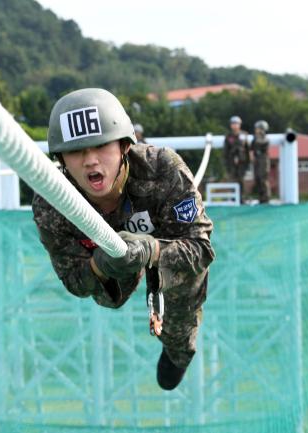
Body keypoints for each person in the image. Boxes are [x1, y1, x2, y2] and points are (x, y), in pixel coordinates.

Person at [32, 88, 215, 390]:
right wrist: (102, 266)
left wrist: (150, 249)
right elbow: (75, 281)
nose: (91, 161)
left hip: (166, 242)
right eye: (77, 151)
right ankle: (124, 267)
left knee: (184, 296)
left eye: (101, 146)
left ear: (124, 146)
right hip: (112, 266)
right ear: (61, 158)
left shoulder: (162, 169)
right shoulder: (52, 200)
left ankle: (178, 352)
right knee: (107, 297)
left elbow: (200, 248)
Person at [223, 116, 250, 202]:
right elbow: (226, 151)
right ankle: (233, 198)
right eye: (233, 124)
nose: (235, 125)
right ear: (231, 125)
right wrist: (226, 163)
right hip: (231, 162)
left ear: (240, 125)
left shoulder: (244, 134)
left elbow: (247, 149)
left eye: (236, 124)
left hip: (242, 161)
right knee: (233, 180)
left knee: (241, 180)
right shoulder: (228, 136)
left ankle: (242, 198)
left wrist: (248, 161)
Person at [251, 120, 271, 203]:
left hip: (263, 159)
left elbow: (261, 143)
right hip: (257, 159)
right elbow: (252, 147)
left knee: (263, 178)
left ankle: (266, 198)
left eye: (258, 128)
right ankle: (261, 198)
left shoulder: (264, 138)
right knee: (258, 178)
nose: (256, 130)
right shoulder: (255, 137)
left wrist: (257, 136)